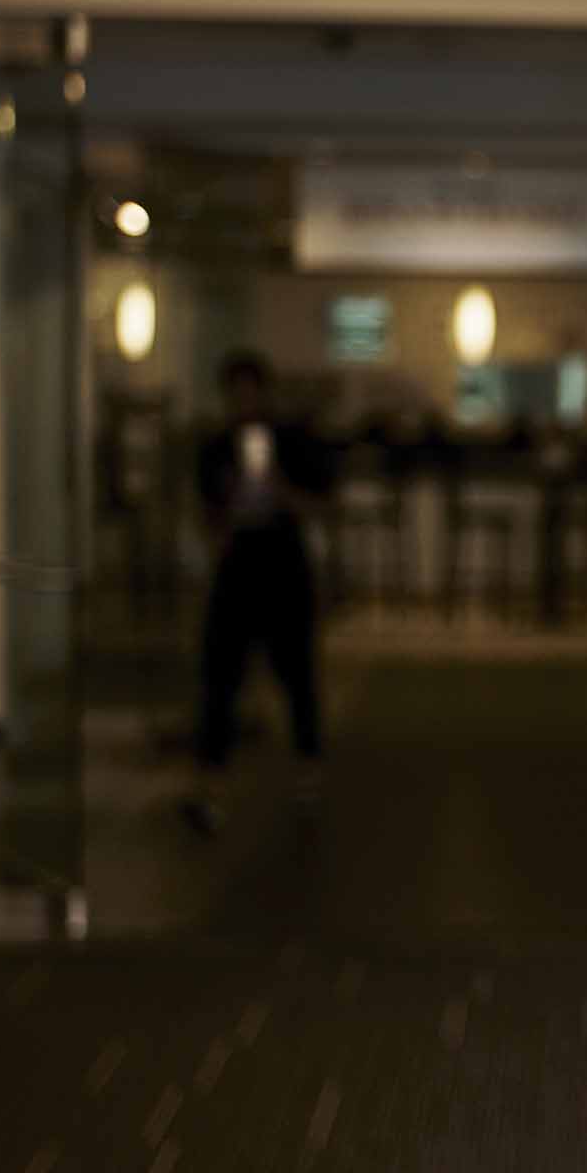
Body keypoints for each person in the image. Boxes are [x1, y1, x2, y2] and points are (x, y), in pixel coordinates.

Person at [183, 351, 325, 832]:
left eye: (251, 392)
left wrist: (278, 489)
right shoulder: (216, 448)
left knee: (297, 676)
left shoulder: (292, 440)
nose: (244, 402)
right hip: (237, 571)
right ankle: (210, 783)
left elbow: (319, 504)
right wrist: (226, 512)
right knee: (219, 680)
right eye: (235, 393)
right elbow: (205, 517)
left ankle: (308, 771)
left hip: (284, 570)